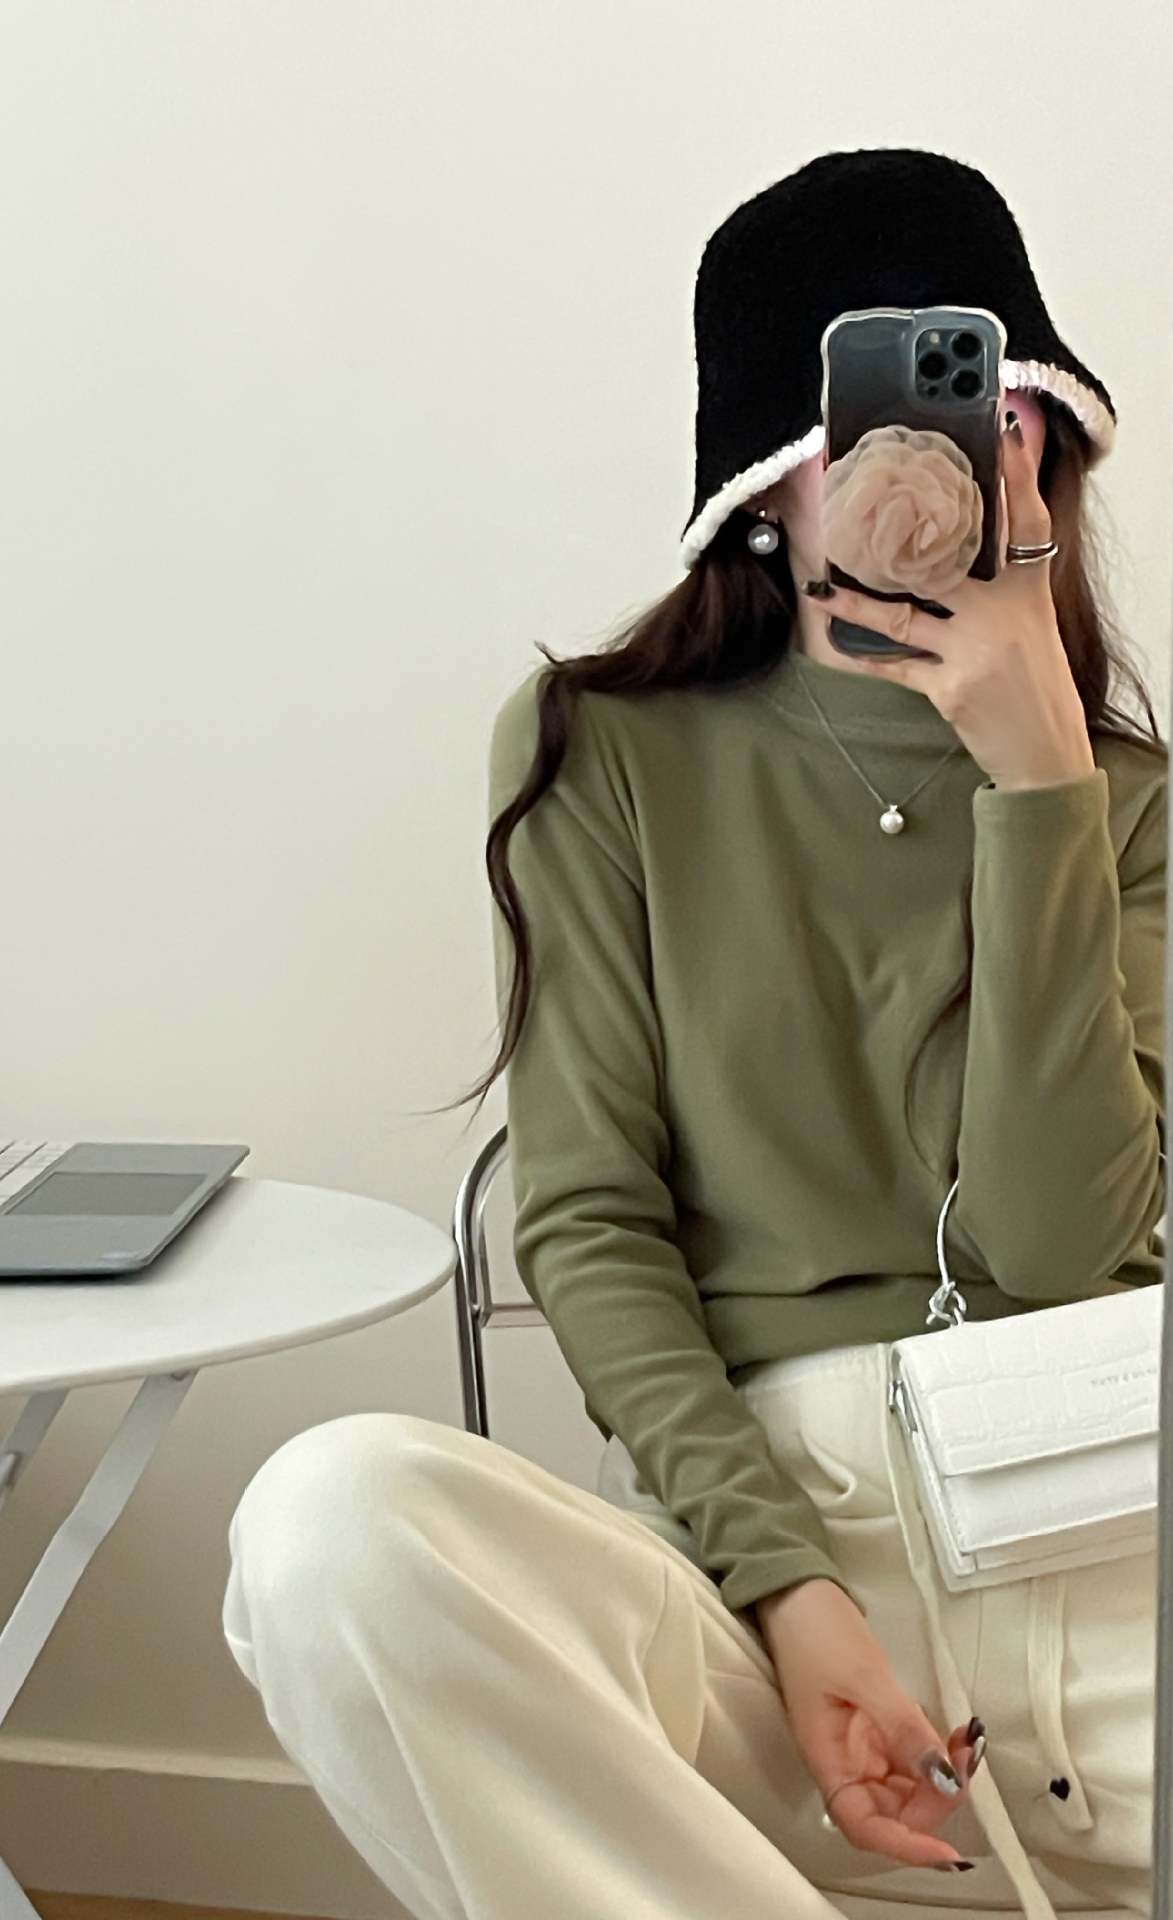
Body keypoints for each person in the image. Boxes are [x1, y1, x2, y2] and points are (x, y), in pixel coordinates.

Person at [221, 150, 1166, 1920]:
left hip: (1102, 1536)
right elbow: (590, 1223)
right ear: (763, 486)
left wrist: (1042, 787)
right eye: (868, 412)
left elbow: (1060, 1256)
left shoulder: (1130, 804)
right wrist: (791, 1594)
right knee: (328, 1526)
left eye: (989, 396)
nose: (931, 461)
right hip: (758, 1585)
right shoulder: (600, 754)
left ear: (1047, 443)